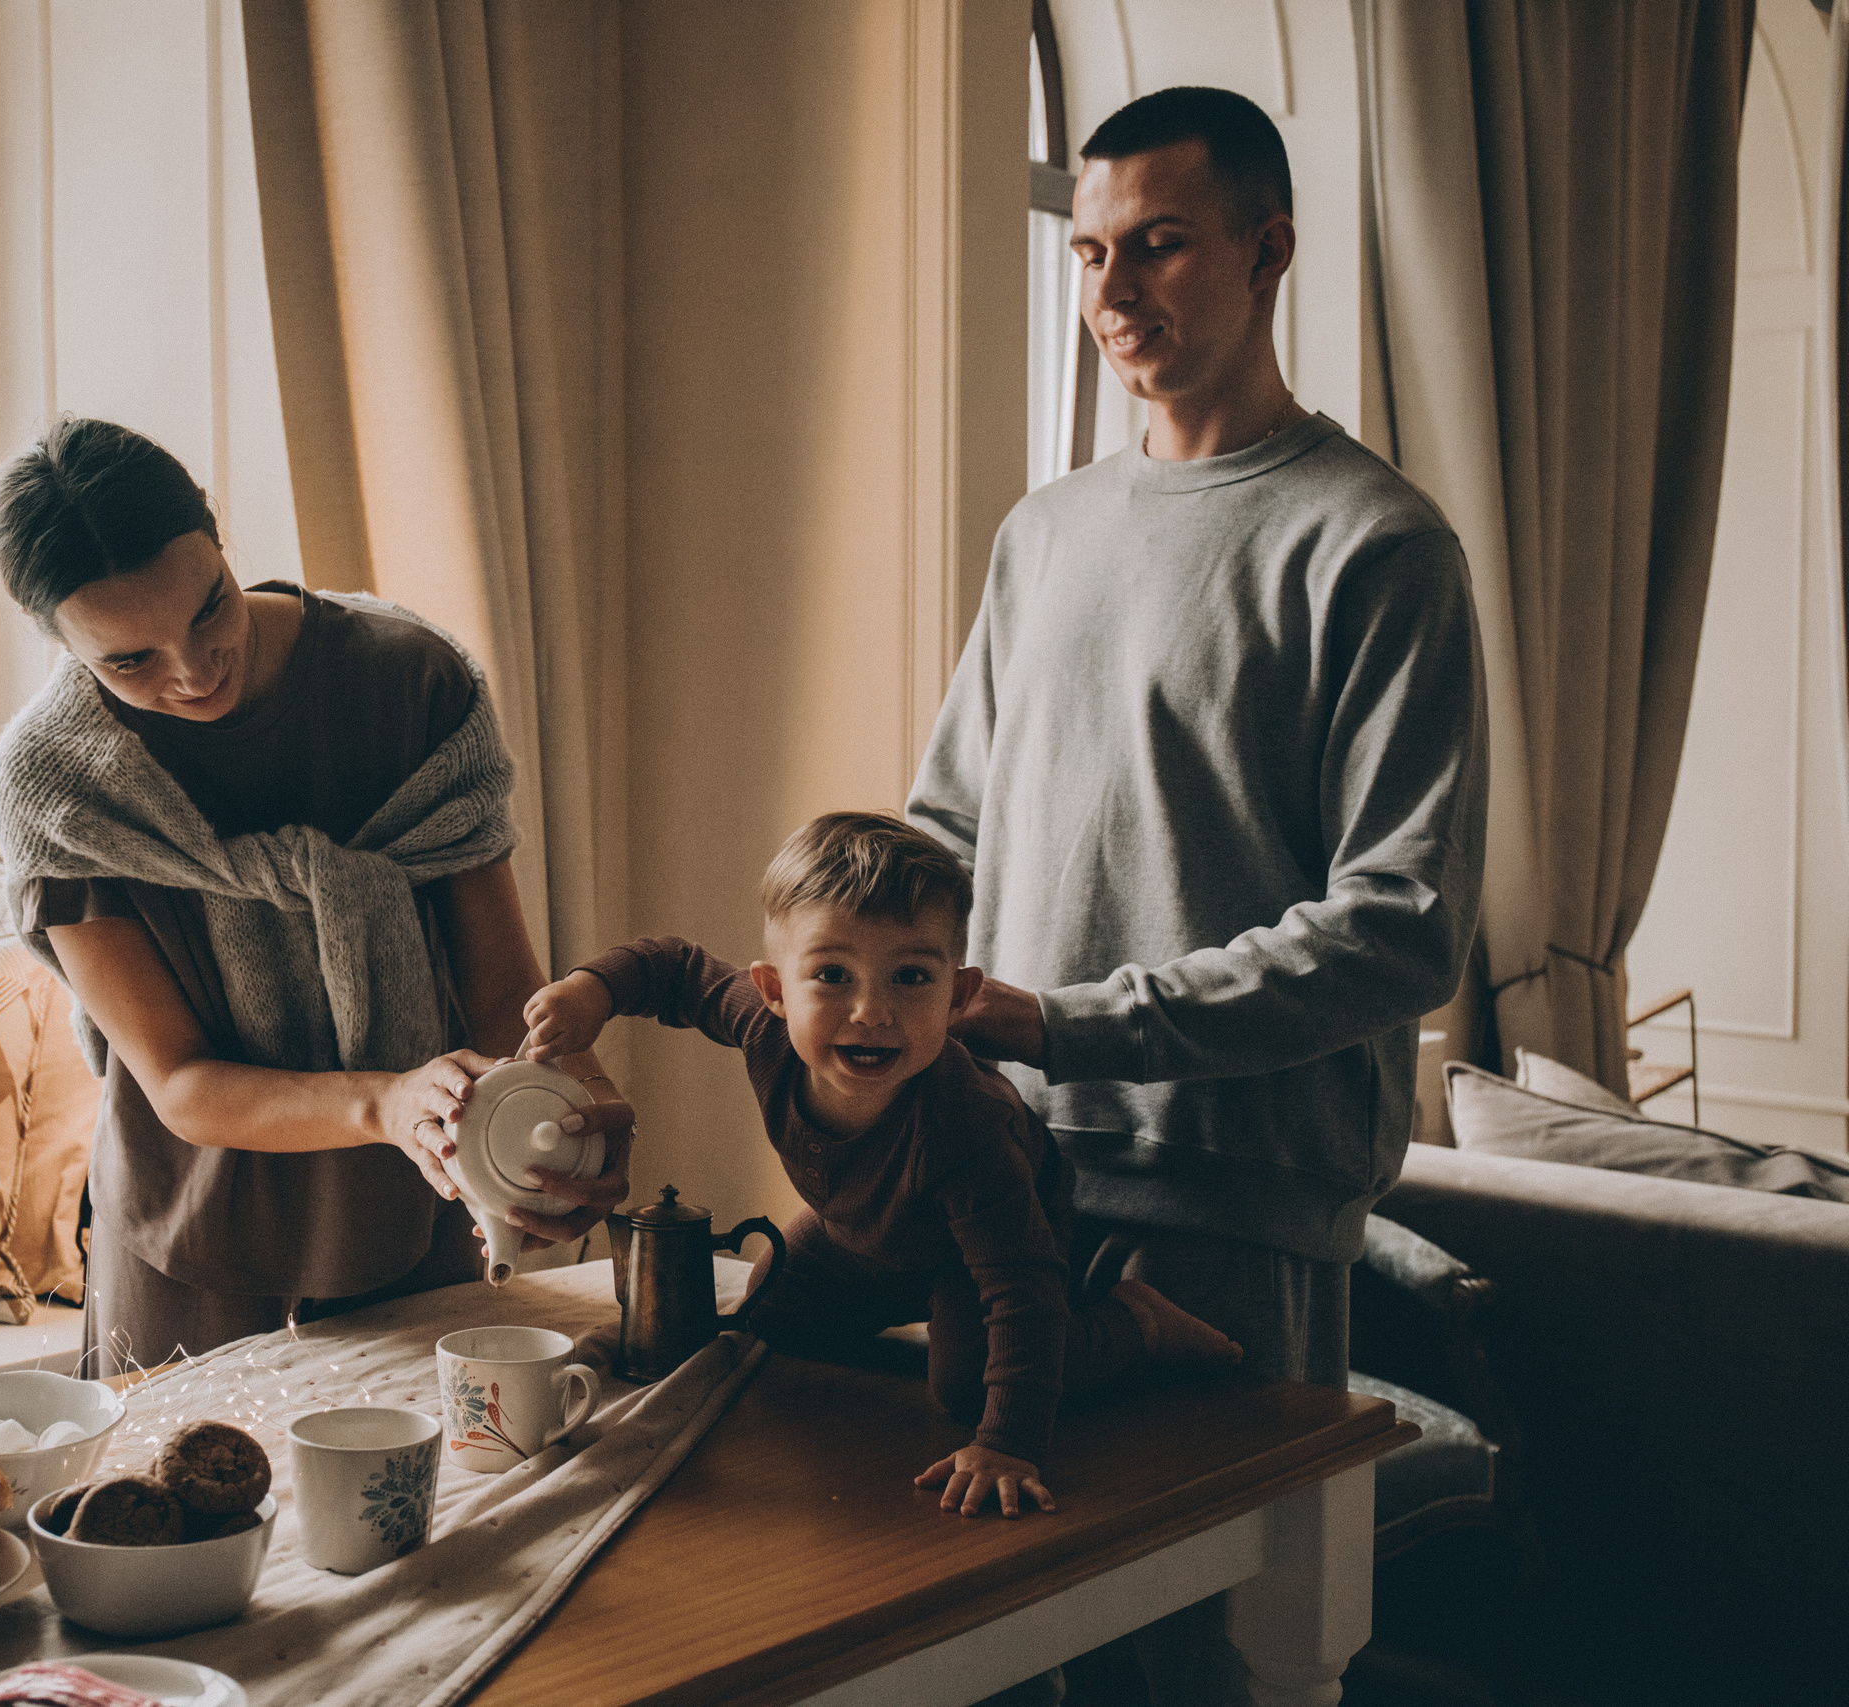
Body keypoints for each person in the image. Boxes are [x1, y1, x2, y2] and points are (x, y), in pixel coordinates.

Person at [907, 86, 1486, 1699]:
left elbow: (1401, 928)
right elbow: (940, 826)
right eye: (1091, 253)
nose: (1111, 294)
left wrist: (1070, 1020)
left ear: (1268, 249)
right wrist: (855, 983)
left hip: (1225, 1219)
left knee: (1204, 1680)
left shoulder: (1376, 549)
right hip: (996, 1179)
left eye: (1157, 245)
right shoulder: (1043, 534)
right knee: (986, 1666)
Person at [0, 418, 633, 1373]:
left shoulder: (412, 681)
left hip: (420, 1197)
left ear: (219, 536)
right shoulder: (56, 782)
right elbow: (179, 1081)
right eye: (130, 661)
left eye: (210, 607)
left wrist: (559, 1098)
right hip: (188, 1230)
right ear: (57, 643)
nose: (194, 671)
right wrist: (385, 1103)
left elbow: (501, 986)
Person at [521, 812, 1240, 1520]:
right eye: (833, 974)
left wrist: (1009, 1445)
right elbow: (673, 967)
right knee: (768, 1319)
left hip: (984, 1254)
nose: (871, 1010)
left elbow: (1021, 1287)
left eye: (910, 977)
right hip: (859, 1229)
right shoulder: (760, 1027)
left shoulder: (967, 1126)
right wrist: (590, 990)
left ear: (959, 997)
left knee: (964, 1385)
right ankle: (906, 1304)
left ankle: (1135, 1322)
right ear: (774, 989)